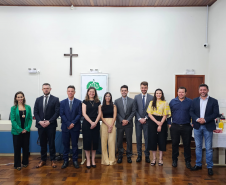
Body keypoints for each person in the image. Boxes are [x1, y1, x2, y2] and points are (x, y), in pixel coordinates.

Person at [190, 84, 219, 176]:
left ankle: (209, 167)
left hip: (208, 126)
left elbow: (215, 114)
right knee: (198, 146)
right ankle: (198, 164)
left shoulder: (214, 101)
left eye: (204, 90)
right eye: (201, 90)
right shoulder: (194, 101)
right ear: (199, 91)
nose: (203, 91)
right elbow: (191, 112)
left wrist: (205, 120)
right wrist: (198, 119)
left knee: (208, 148)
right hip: (197, 126)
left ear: (208, 90)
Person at [34, 83, 60, 168]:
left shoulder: (55, 99)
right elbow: (36, 112)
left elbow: (57, 112)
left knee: (52, 143)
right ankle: (43, 160)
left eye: (47, 88)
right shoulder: (38, 100)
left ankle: (53, 160)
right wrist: (40, 121)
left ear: (50, 89)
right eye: (44, 88)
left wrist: (49, 121)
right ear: (42, 89)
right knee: (42, 143)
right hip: (41, 125)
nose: (46, 89)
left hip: (51, 125)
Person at [168, 87, 193, 169]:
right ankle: (174, 160)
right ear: (177, 93)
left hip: (186, 126)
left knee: (187, 144)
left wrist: (192, 123)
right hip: (175, 126)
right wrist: (169, 123)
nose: (181, 94)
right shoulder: (172, 102)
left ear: (186, 93)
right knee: (175, 144)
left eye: (182, 92)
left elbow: (194, 113)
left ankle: (187, 161)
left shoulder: (190, 102)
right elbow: (168, 113)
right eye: (179, 92)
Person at [147, 88, 171, 166]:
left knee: (161, 140)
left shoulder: (165, 103)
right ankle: (154, 158)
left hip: (162, 121)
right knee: (153, 140)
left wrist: (160, 123)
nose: (158, 94)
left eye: (160, 93)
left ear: (162, 94)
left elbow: (165, 114)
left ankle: (161, 159)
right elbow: (149, 114)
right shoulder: (151, 102)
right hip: (153, 121)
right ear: (155, 94)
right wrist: (156, 122)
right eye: (157, 93)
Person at [60, 85, 82, 169]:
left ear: (74, 92)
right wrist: (68, 123)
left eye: (72, 91)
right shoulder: (62, 102)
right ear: (67, 92)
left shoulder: (79, 102)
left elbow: (79, 114)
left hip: (75, 127)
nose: (70, 92)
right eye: (69, 91)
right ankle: (65, 160)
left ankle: (75, 160)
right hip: (65, 127)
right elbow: (61, 114)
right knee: (65, 145)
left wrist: (72, 123)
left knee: (74, 145)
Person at [10, 91, 32, 171]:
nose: (20, 98)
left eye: (21, 96)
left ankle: (25, 162)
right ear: (16, 98)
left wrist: (26, 128)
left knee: (26, 147)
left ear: (23, 97)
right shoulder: (13, 108)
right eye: (18, 97)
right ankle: (17, 164)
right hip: (16, 132)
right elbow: (13, 120)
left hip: (26, 131)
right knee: (17, 148)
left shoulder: (28, 107)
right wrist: (20, 129)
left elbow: (30, 119)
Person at [114, 85, 136, 163]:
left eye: (125, 90)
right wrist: (122, 120)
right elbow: (116, 113)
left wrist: (127, 120)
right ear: (120, 91)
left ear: (127, 91)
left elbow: (133, 111)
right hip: (120, 124)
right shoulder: (116, 101)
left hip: (129, 124)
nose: (124, 92)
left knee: (129, 140)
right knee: (119, 140)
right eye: (122, 90)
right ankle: (120, 155)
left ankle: (129, 156)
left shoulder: (132, 100)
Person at [82, 87, 101, 169]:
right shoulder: (84, 102)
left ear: (95, 93)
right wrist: (91, 122)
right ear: (88, 92)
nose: (92, 93)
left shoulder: (98, 102)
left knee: (94, 142)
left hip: (96, 124)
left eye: (93, 92)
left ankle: (93, 160)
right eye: (90, 92)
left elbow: (99, 113)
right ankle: (88, 160)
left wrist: (95, 123)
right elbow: (84, 114)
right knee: (87, 142)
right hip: (87, 124)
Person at [134, 81, 153, 163]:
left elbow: (152, 110)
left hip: (147, 121)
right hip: (138, 122)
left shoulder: (151, 98)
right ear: (140, 88)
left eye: (145, 88)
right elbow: (134, 109)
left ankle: (147, 155)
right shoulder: (136, 97)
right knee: (138, 138)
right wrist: (139, 118)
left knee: (147, 138)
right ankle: (139, 155)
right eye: (142, 87)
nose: (143, 89)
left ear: (147, 88)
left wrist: (145, 118)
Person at [101, 92, 117, 165]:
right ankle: (105, 160)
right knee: (103, 143)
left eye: (109, 96)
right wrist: (108, 125)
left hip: (112, 124)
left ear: (110, 97)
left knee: (111, 142)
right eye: (106, 96)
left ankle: (112, 160)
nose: (107, 97)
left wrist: (111, 125)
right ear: (104, 97)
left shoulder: (114, 106)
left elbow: (115, 116)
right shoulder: (101, 106)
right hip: (104, 124)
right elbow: (101, 117)